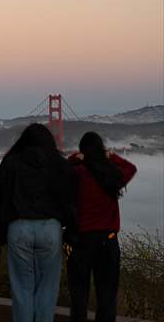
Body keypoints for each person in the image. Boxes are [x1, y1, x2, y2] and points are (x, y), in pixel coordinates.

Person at [0, 123, 75, 322]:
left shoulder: (9, 162)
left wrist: (0, 232)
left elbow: (2, 199)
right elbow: (68, 200)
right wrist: (71, 231)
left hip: (18, 227)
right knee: (48, 288)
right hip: (51, 229)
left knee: (21, 287)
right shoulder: (60, 163)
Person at [67, 132, 137, 322]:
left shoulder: (77, 173)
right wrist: (110, 155)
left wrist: (75, 157)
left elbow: (64, 168)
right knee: (106, 297)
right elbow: (131, 167)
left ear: (82, 151)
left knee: (79, 295)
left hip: (80, 241)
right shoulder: (111, 175)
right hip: (108, 242)